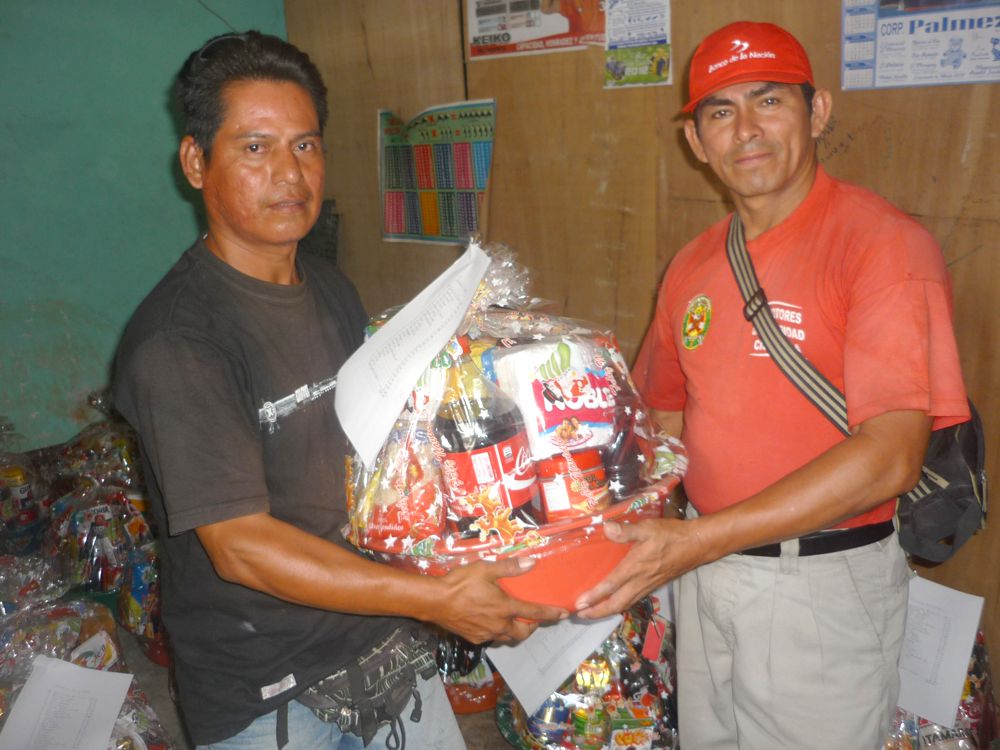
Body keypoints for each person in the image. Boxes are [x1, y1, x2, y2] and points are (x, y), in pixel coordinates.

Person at [112, 31, 564, 750]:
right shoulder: (180, 340)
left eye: (305, 145)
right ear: (197, 163)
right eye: (255, 148)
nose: (289, 174)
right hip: (269, 695)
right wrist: (439, 599)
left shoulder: (329, 287)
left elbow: (380, 453)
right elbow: (242, 548)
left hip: (381, 642)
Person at [574, 20, 970, 750]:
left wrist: (696, 543)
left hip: (819, 587)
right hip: (703, 573)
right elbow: (659, 418)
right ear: (696, 142)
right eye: (719, 112)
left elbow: (891, 457)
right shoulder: (691, 266)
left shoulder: (881, 246)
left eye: (768, 101)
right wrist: (570, 528)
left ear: (817, 111)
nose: (745, 130)